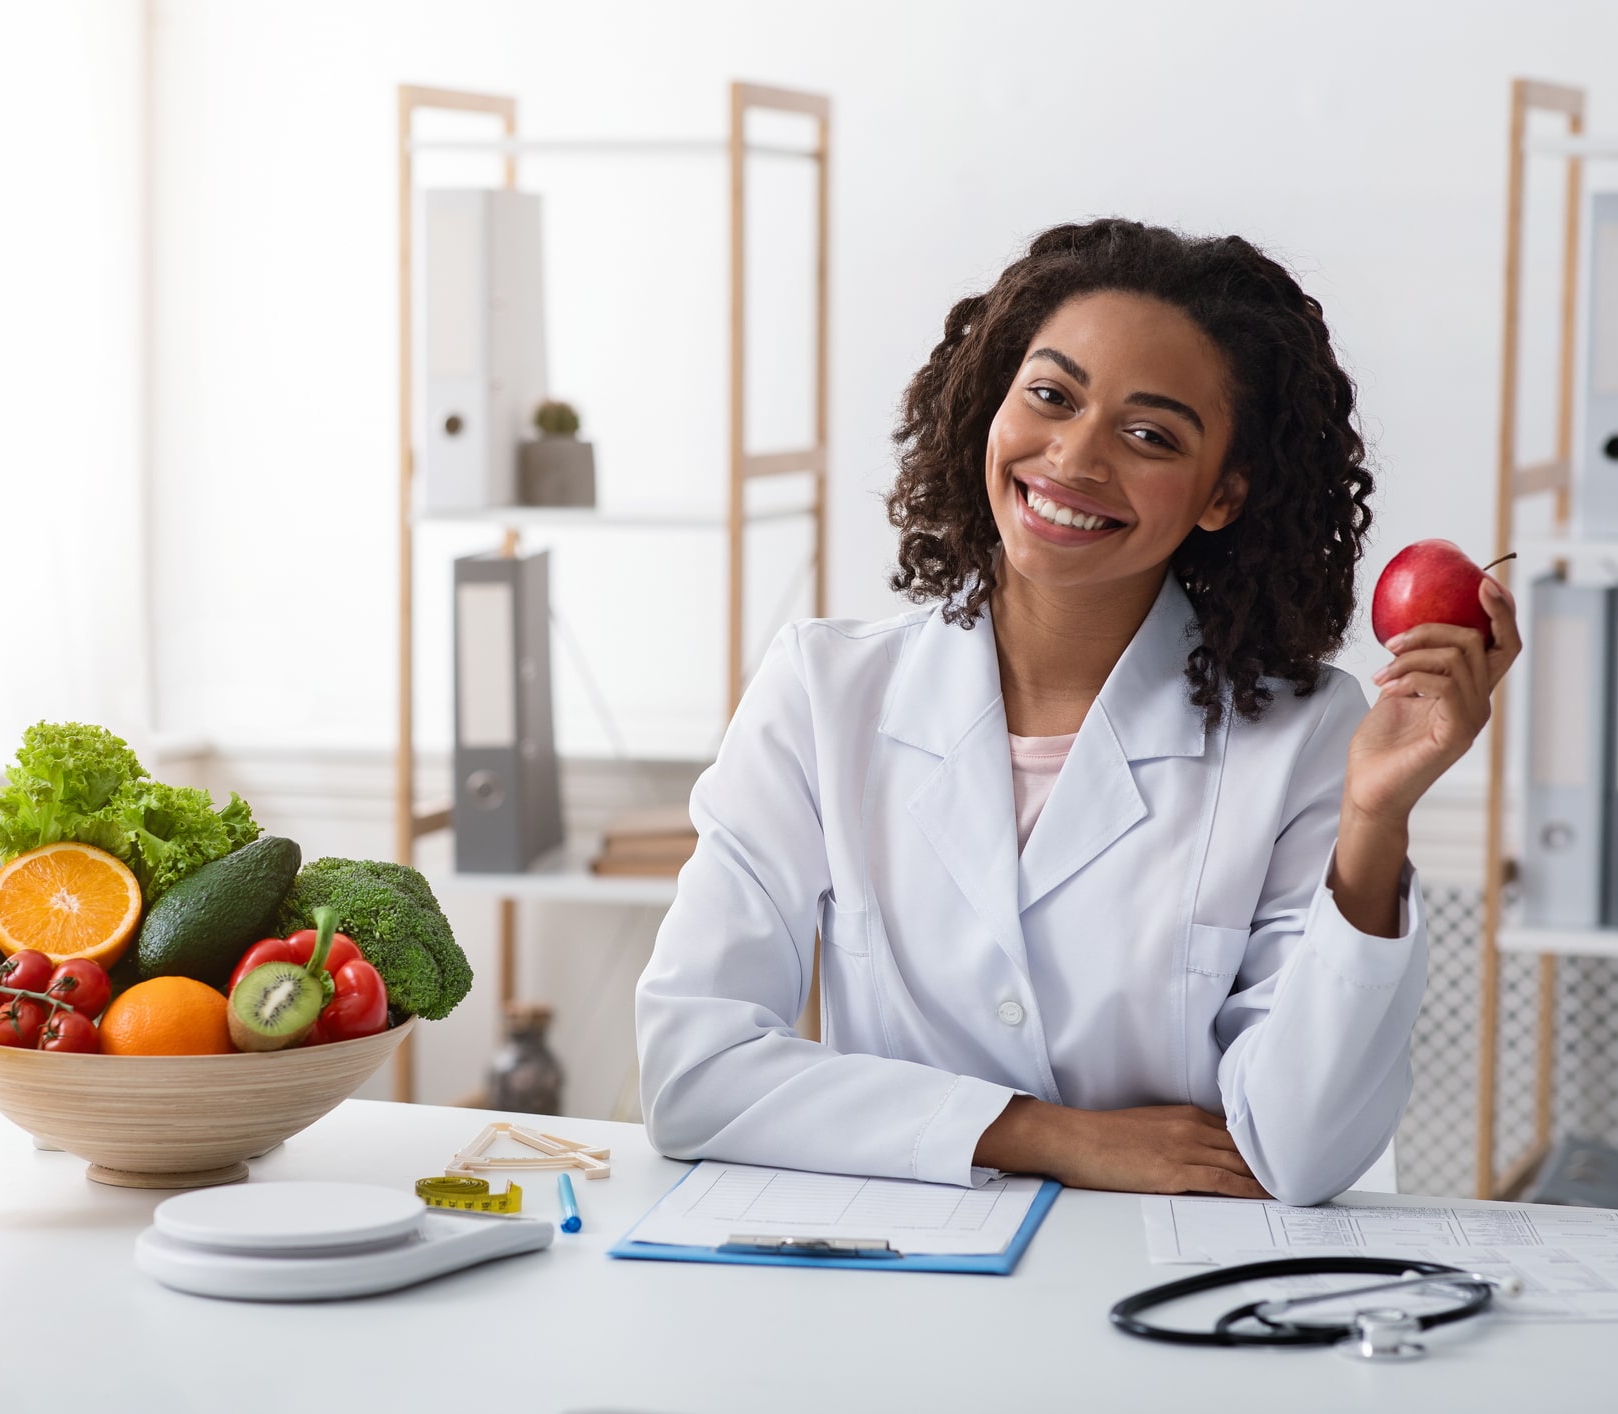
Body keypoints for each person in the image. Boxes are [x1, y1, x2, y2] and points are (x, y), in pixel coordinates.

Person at [634, 219, 1519, 1206]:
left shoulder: (1307, 736)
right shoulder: (824, 693)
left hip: (1164, 1294)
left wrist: (1375, 824)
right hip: (900, 1286)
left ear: (1224, 493)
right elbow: (691, 1070)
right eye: (1050, 396)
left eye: (1149, 435)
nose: (1074, 457)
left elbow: (1297, 1152)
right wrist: (1050, 1136)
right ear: (994, 405)